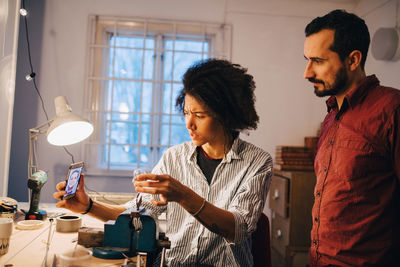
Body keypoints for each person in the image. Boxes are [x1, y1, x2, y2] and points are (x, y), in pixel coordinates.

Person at [54, 58, 273, 266]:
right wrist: (88, 206)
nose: (189, 124)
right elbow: (136, 214)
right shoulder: (174, 157)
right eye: (186, 112)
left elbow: (238, 228)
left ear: (226, 115)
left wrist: (183, 195)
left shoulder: (257, 162)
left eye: (199, 115)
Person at [303, 9, 400, 266]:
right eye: (306, 60)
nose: (307, 72)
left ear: (353, 60)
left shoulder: (392, 109)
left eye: (318, 61)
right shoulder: (331, 115)